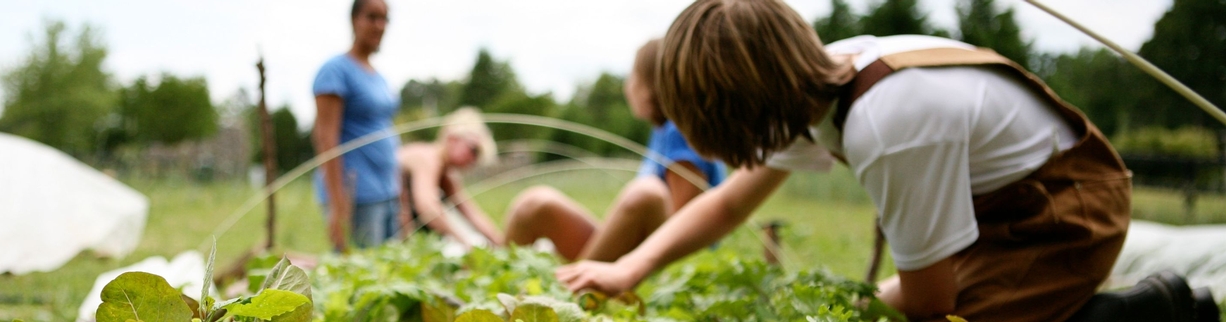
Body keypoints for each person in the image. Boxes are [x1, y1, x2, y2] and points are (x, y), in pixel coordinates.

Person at [554, 0, 1212, 321]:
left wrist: (843, 308)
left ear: (738, 113)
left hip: (1064, 212)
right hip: (998, 210)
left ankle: (1151, 310)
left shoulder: (887, 123)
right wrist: (627, 266)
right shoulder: (812, 78)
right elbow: (729, 201)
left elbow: (930, 299)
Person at [504, 39, 727, 262]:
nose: (627, 86)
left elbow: (683, 225)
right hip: (639, 252)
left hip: (666, 263)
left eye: (633, 76)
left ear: (651, 85)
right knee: (534, 206)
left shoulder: (680, 131)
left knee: (646, 195)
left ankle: (580, 288)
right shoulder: (662, 130)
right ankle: (492, 285)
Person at [312, 0, 398, 252]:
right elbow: (325, 138)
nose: (379, 26)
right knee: (359, 274)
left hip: (386, 192)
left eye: (385, 19)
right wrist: (338, 206)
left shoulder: (379, 77)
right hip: (357, 195)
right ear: (354, 20)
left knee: (386, 271)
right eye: (372, 17)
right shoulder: (335, 71)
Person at [395, 108, 505, 247]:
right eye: (473, 150)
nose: (474, 159)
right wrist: (465, 243)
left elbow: (471, 212)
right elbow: (427, 208)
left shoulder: (446, 174)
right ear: (453, 138)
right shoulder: (427, 158)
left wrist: (502, 244)